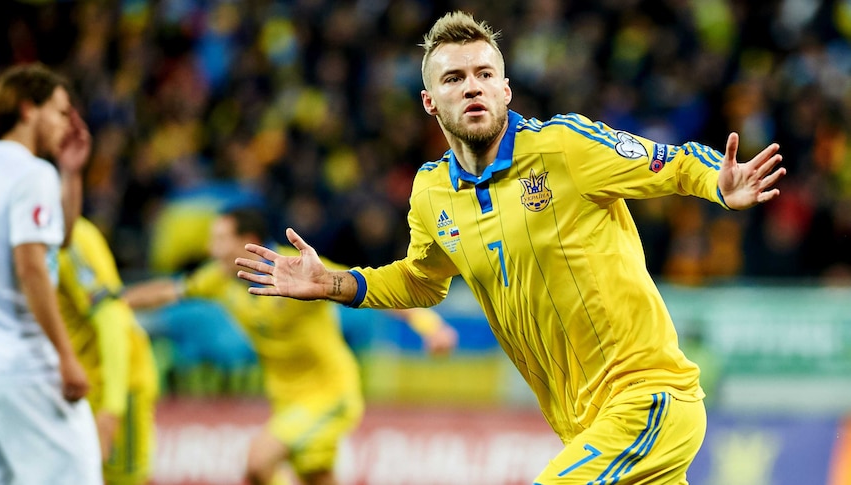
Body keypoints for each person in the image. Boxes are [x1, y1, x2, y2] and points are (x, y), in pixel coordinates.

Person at [235, 11, 787, 485]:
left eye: (484, 74)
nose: (472, 86)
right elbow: (422, 281)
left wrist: (720, 181)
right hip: (582, 424)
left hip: (650, 400)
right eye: (454, 78)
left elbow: (672, 163)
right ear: (431, 102)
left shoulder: (564, 147)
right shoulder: (431, 193)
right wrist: (333, 282)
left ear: (505, 89)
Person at [122, 207, 457, 485]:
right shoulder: (220, 277)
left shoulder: (297, 269)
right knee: (316, 478)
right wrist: (116, 302)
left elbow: (369, 288)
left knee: (257, 464)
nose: (212, 250)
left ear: (248, 242)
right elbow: (170, 291)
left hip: (328, 393)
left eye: (221, 240)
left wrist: (430, 326)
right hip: (286, 399)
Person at [0, 63, 102, 484]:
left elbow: (59, 243)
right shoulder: (32, 173)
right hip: (27, 367)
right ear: (27, 109)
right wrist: (66, 358)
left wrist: (71, 174)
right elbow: (33, 266)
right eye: (60, 111)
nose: (68, 124)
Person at [57, 216, 159, 485]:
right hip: (67, 388)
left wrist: (111, 408)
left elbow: (111, 316)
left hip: (111, 384)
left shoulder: (69, 238)